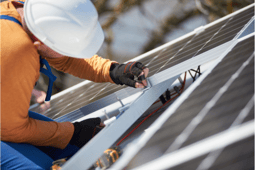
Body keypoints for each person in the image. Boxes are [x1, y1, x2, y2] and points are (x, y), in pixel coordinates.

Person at [0, 0, 149, 169]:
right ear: (39, 43)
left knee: (71, 149)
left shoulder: (28, 15)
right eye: (64, 48)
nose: (67, 52)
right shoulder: (16, 48)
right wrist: (73, 132)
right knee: (42, 166)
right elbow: (11, 129)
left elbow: (65, 58)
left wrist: (113, 70)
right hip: (6, 124)